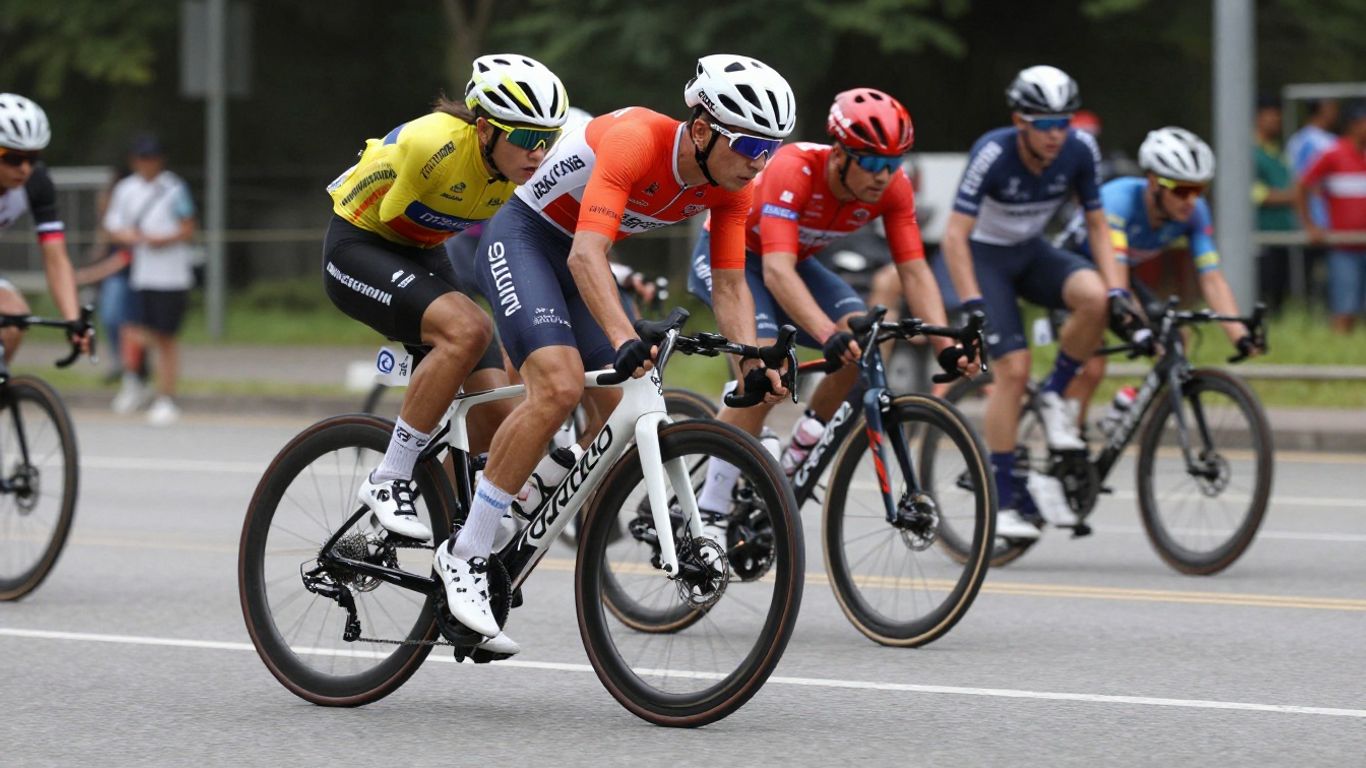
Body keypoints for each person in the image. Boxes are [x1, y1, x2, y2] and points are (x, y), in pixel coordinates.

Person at [439, 54, 796, 650]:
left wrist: (751, 365)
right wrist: (627, 338)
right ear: (703, 129)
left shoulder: (734, 184)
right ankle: (466, 554)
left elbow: (732, 286)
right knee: (560, 385)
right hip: (526, 237)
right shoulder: (635, 140)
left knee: (618, 406)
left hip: (580, 254)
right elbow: (585, 257)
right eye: (749, 145)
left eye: (771, 149)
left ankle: (529, 487)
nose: (759, 162)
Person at [322, 54, 568, 655]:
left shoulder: (523, 168)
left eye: (550, 138)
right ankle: (390, 476)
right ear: (485, 128)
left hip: (424, 249)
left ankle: (464, 568)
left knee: (492, 405)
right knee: (463, 329)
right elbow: (392, 218)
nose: (540, 152)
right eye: (528, 138)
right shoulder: (433, 146)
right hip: (362, 243)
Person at [686, 87, 975, 521]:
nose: (884, 175)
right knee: (766, 375)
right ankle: (709, 508)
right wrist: (826, 335)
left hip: (793, 262)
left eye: (894, 163)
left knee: (864, 341)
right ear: (840, 154)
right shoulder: (795, 170)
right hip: (734, 257)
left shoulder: (893, 189)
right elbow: (776, 273)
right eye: (874, 162)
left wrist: (943, 346)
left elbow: (914, 272)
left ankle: (803, 447)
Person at [934, 66, 1125, 540]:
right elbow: (955, 237)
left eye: (1064, 121)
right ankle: (1000, 502)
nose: (1056, 134)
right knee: (1013, 372)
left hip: (1032, 251)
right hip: (987, 259)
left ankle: (1058, 393)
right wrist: (973, 303)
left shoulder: (1080, 149)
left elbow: (1098, 226)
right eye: (1044, 124)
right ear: (1020, 120)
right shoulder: (993, 151)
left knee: (1095, 298)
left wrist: (1118, 287)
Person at [1059, 127, 1263, 420]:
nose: (1190, 200)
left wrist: (1239, 335)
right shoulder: (1118, 202)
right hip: (1071, 271)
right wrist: (1138, 322)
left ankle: (1130, 407)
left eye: (1198, 190)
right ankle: (1068, 443)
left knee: (1174, 340)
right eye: (1181, 190)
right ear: (1155, 182)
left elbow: (1211, 278)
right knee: (1091, 366)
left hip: (1117, 273)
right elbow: (1116, 280)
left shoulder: (1194, 213)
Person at [104, 135, 198, 424]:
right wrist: (131, 237)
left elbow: (188, 227)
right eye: (143, 158)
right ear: (135, 161)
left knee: (165, 337)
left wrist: (164, 239)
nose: (148, 164)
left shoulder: (173, 188)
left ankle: (166, 397)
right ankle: (135, 381)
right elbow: (112, 227)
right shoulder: (126, 189)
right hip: (140, 274)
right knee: (132, 330)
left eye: (153, 158)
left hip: (170, 276)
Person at [0, 94, 90, 363]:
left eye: (33, 157)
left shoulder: (37, 183)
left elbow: (56, 256)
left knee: (14, 318)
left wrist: (73, 319)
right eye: (13, 158)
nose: (25, 168)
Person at [1297, 102, 1366, 334]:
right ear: (1355, 125)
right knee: (1343, 308)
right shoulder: (1333, 153)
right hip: (1343, 247)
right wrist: (1310, 224)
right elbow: (1302, 187)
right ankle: (1337, 358)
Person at [1253, 97, 1298, 314]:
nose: (1277, 120)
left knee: (1281, 294)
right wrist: (1293, 196)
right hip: (1260, 235)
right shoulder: (1248, 152)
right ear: (1257, 117)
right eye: (1271, 115)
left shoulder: (1277, 152)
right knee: (1263, 291)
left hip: (1283, 233)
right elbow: (1254, 194)